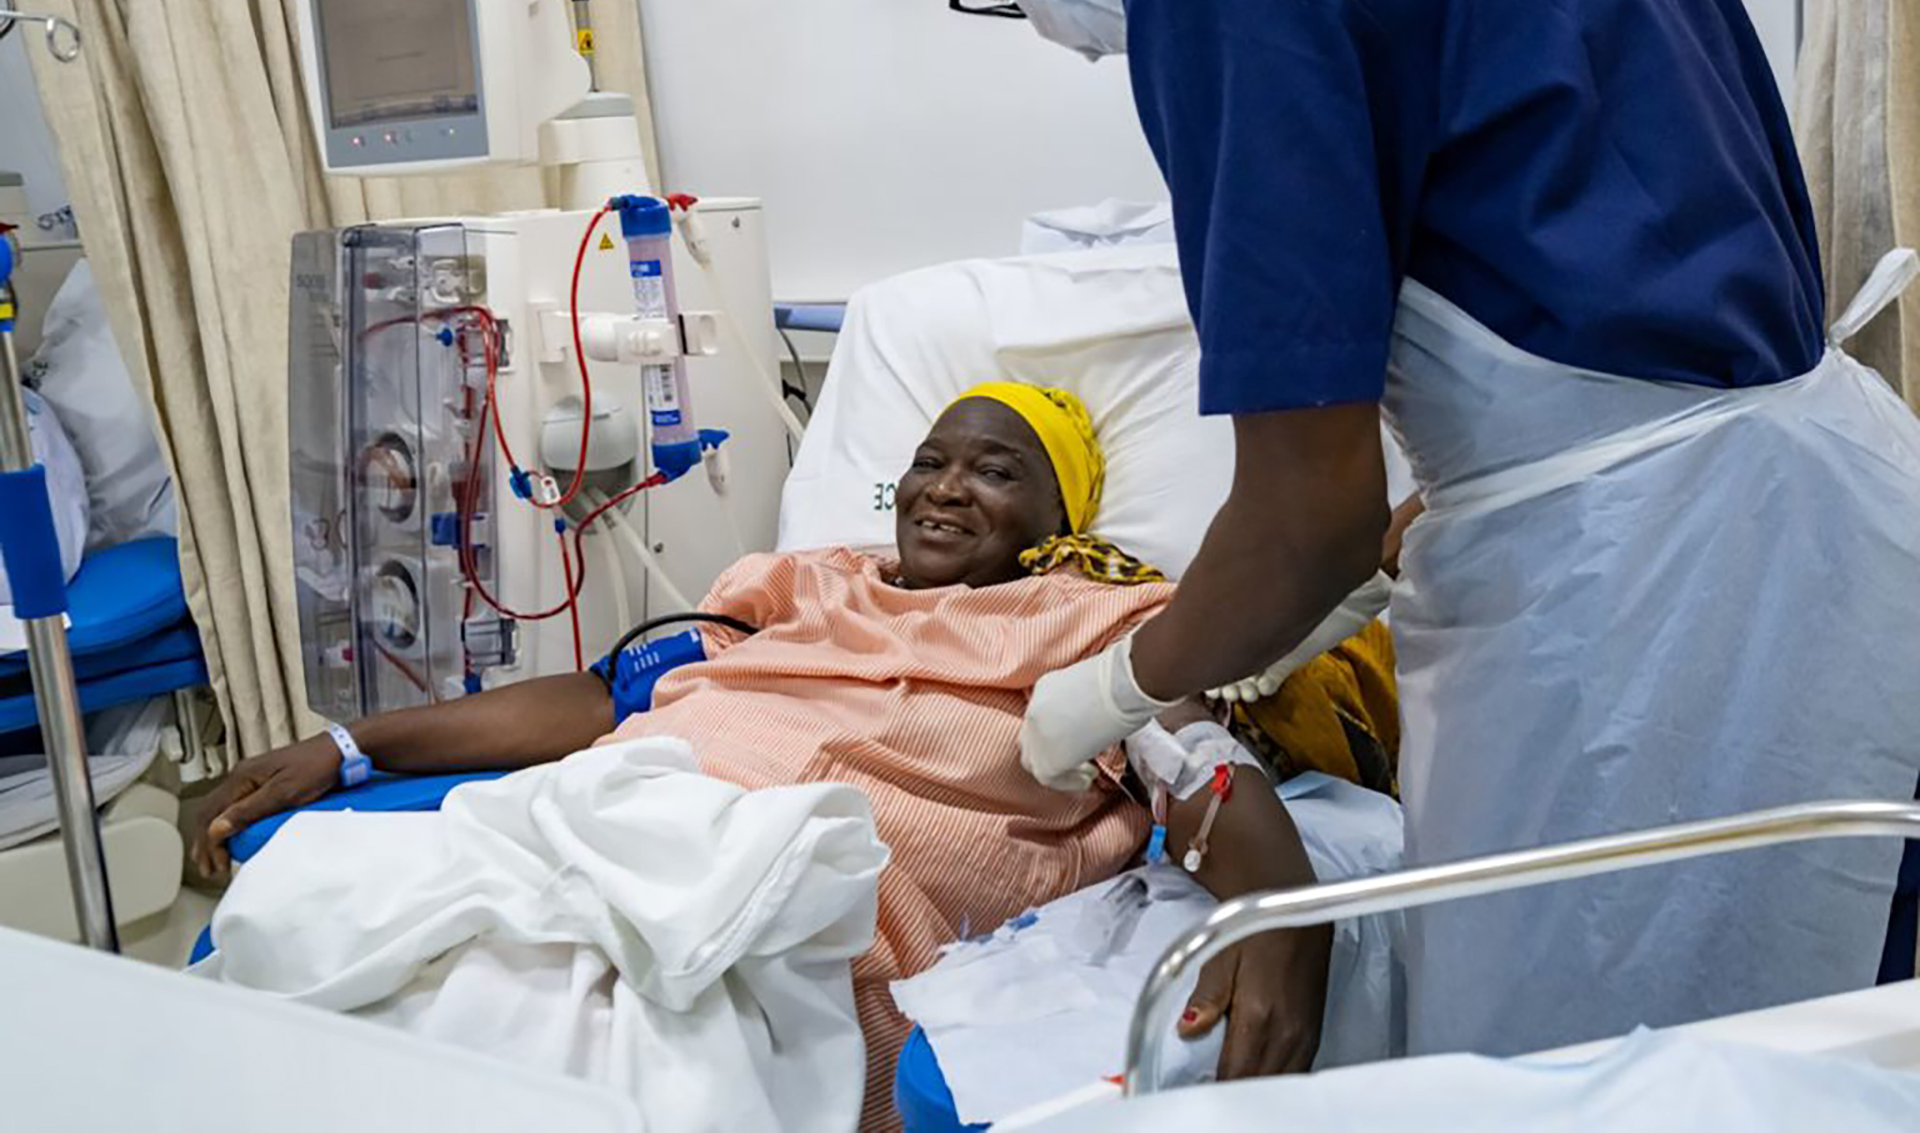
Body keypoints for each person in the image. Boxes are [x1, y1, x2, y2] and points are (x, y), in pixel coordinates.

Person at [895, 0, 1920, 1065]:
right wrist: (1462, 488)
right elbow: (1606, 235)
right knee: (1843, 1047)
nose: (1050, 14)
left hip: (1648, 616)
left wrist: (1114, 686)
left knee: (1597, 1073)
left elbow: (1307, 516)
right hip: (1828, 514)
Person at [193, 382, 1400, 1125]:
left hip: (790, 897)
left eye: (996, 469)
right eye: (930, 459)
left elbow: (1196, 761)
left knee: (565, 1063)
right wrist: (350, 743)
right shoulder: (803, 580)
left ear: (1058, 521)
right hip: (615, 820)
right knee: (366, 994)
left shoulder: (1095, 622)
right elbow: (604, 699)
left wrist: (1278, 916)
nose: (944, 488)